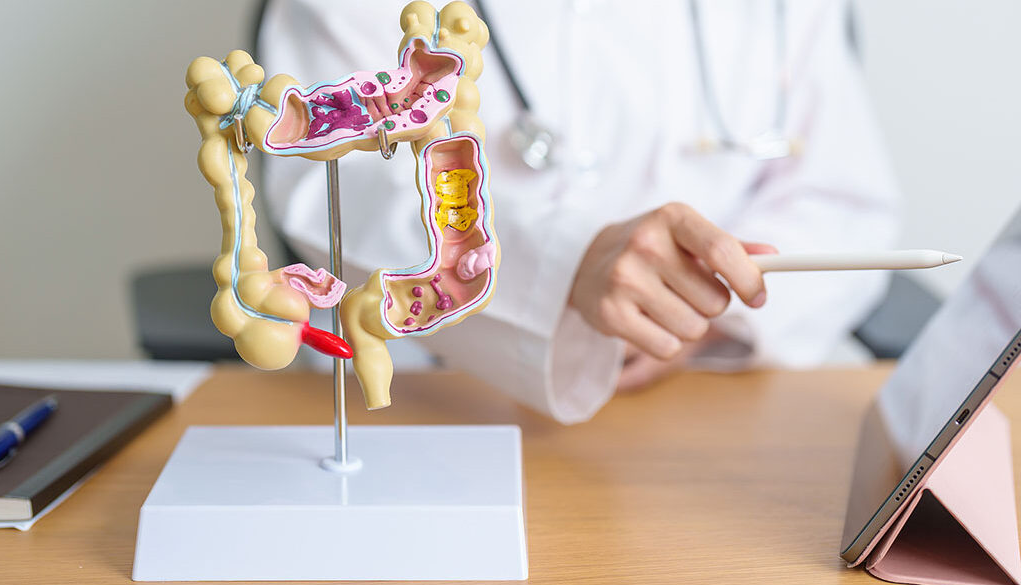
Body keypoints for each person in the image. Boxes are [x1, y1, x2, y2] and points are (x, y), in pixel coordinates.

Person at [257, 0, 900, 423]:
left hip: (716, 398)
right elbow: (332, 180)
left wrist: (696, 308)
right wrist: (568, 266)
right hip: (443, 396)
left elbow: (841, 201)